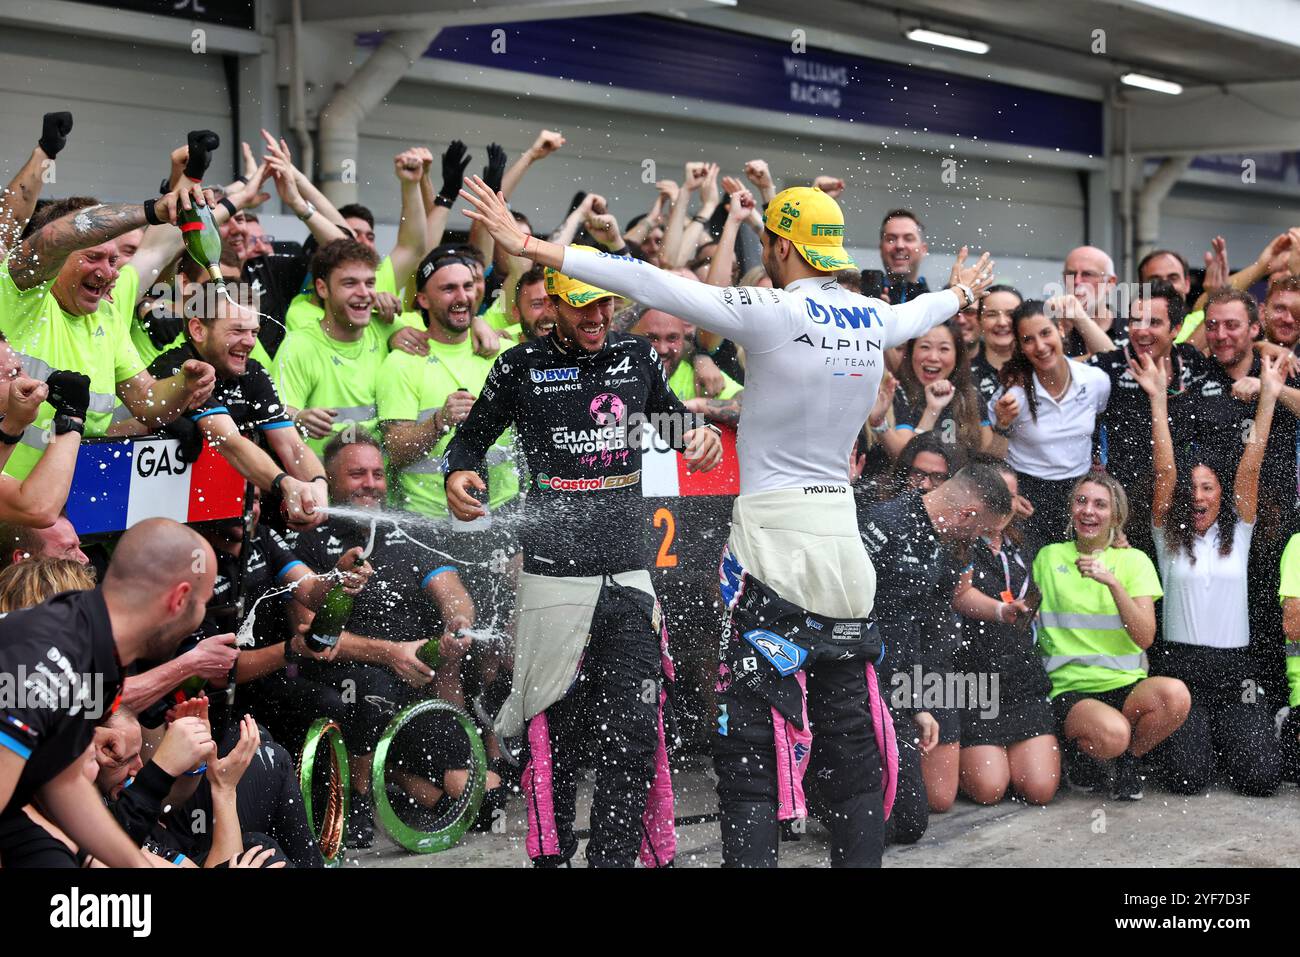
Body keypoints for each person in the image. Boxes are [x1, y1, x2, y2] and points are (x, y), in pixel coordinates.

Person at [458, 175, 994, 867]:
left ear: (778, 245)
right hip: (843, 544)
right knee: (850, 739)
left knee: (748, 752)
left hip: (774, 543)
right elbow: (926, 311)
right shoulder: (873, 317)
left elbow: (652, 283)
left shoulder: (770, 311)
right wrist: (963, 293)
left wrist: (531, 244)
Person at [442, 246, 722, 867]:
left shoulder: (638, 356)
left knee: (632, 730)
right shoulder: (519, 366)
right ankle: (551, 857)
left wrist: (698, 436)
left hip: (628, 570)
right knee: (556, 734)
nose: (595, 316)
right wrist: (458, 475)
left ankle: (615, 859)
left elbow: (674, 426)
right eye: (581, 305)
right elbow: (469, 440)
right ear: (554, 305)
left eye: (603, 303)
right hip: (551, 577)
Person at [286, 432, 493, 848]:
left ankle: (398, 776)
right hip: (349, 679)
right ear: (330, 479)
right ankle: (362, 796)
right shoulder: (309, 537)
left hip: (418, 675)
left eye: (378, 474)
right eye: (357, 473)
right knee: (371, 686)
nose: (370, 483)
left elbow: (453, 594)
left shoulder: (405, 528)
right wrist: (390, 653)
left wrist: (457, 626)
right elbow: (310, 636)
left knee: (485, 804)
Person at [0, 518, 220, 867]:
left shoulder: (98, 653)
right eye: (203, 602)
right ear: (179, 599)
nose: (204, 618)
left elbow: (64, 782)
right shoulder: (47, 661)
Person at [1135, 351, 1284, 797]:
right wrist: (1158, 402)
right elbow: (1165, 467)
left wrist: (1269, 398)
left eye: (1208, 487)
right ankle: (1203, 741)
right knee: (1187, 780)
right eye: (1191, 488)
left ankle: (1235, 738)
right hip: (1181, 670)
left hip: (1235, 668)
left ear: (1221, 494)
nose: (1197, 495)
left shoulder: (1238, 533)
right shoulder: (1167, 537)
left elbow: (1251, 462)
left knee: (1261, 780)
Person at [0, 184, 218, 482]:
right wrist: (152, 210)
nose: (110, 272)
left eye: (113, 260)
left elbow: (147, 403)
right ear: (60, 255)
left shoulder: (107, 315)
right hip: (10, 492)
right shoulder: (20, 295)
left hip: (71, 496)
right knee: (59, 533)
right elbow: (52, 238)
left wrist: (185, 383)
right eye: (94, 257)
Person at [861, 465, 1014, 840]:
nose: (977, 539)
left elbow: (911, 626)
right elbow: (837, 608)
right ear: (967, 514)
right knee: (873, 829)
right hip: (853, 684)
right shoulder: (885, 522)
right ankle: (813, 787)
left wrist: (917, 702)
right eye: (979, 530)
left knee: (910, 825)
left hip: (895, 688)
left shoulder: (936, 538)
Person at [1033, 472, 1189, 800]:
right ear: (1071, 509)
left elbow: (1145, 637)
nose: (1089, 511)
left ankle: (1128, 761)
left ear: (1115, 516)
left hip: (1125, 684)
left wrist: (1114, 584)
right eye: (1082, 501)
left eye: (1100, 505)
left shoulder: (1134, 561)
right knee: (1114, 734)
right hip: (1070, 687)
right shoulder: (1048, 557)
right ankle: (1083, 754)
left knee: (1176, 695)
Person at [138, 293, 327, 529]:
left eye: (254, 332)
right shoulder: (181, 369)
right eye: (237, 331)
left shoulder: (252, 372)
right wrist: (286, 484)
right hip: (161, 521)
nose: (250, 342)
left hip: (225, 519)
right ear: (198, 330)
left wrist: (318, 485)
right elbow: (229, 441)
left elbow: (291, 445)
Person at [951, 461, 1059, 806]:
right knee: (989, 789)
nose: (1004, 504)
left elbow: (1081, 537)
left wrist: (1116, 535)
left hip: (1022, 679)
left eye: (1010, 496)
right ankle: (990, 759)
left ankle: (1014, 758)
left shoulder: (1027, 544)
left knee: (1039, 790)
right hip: (976, 682)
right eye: (996, 495)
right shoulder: (959, 543)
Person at [273, 238, 415, 456]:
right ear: (322, 288)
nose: (364, 292)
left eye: (369, 283)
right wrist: (297, 418)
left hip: (377, 487)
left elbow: (443, 338)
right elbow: (277, 414)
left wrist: (477, 324)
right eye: (350, 284)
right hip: (320, 486)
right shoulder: (299, 346)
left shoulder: (386, 326)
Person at [1085, 280, 1197, 555]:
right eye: (1135, 320)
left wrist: (1269, 349)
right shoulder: (1109, 366)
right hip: (1124, 513)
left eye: (1153, 323)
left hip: (1183, 509)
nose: (1141, 331)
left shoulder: (1193, 362)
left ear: (1176, 330)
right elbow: (1061, 369)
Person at [991, 300, 1112, 545]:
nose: (1040, 346)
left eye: (1046, 333)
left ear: (1061, 329)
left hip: (1077, 491)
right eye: (1028, 339)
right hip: (1028, 495)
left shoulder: (1094, 381)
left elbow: (1114, 360)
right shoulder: (1014, 393)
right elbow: (990, 455)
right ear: (1020, 347)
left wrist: (1078, 314)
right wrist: (1009, 496)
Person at [881, 318, 993, 458]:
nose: (933, 357)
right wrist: (932, 410)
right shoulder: (896, 393)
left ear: (957, 357)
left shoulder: (969, 395)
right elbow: (906, 462)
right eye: (925, 347)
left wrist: (1003, 426)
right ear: (911, 352)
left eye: (944, 349)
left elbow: (989, 456)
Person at [634, 307, 743, 425]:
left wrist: (695, 406)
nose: (663, 349)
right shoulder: (617, 370)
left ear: (683, 339)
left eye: (672, 338)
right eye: (651, 338)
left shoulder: (697, 376)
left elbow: (752, 407)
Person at [968, 285, 1022, 405]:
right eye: (992, 314)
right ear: (979, 320)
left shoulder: (1040, 368)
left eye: (1011, 314)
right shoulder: (964, 375)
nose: (1002, 322)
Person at [878, 208, 929, 302]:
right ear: (881, 248)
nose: (899, 246)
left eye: (908, 239)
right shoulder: (859, 301)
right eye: (891, 239)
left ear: (923, 249)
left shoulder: (938, 308)